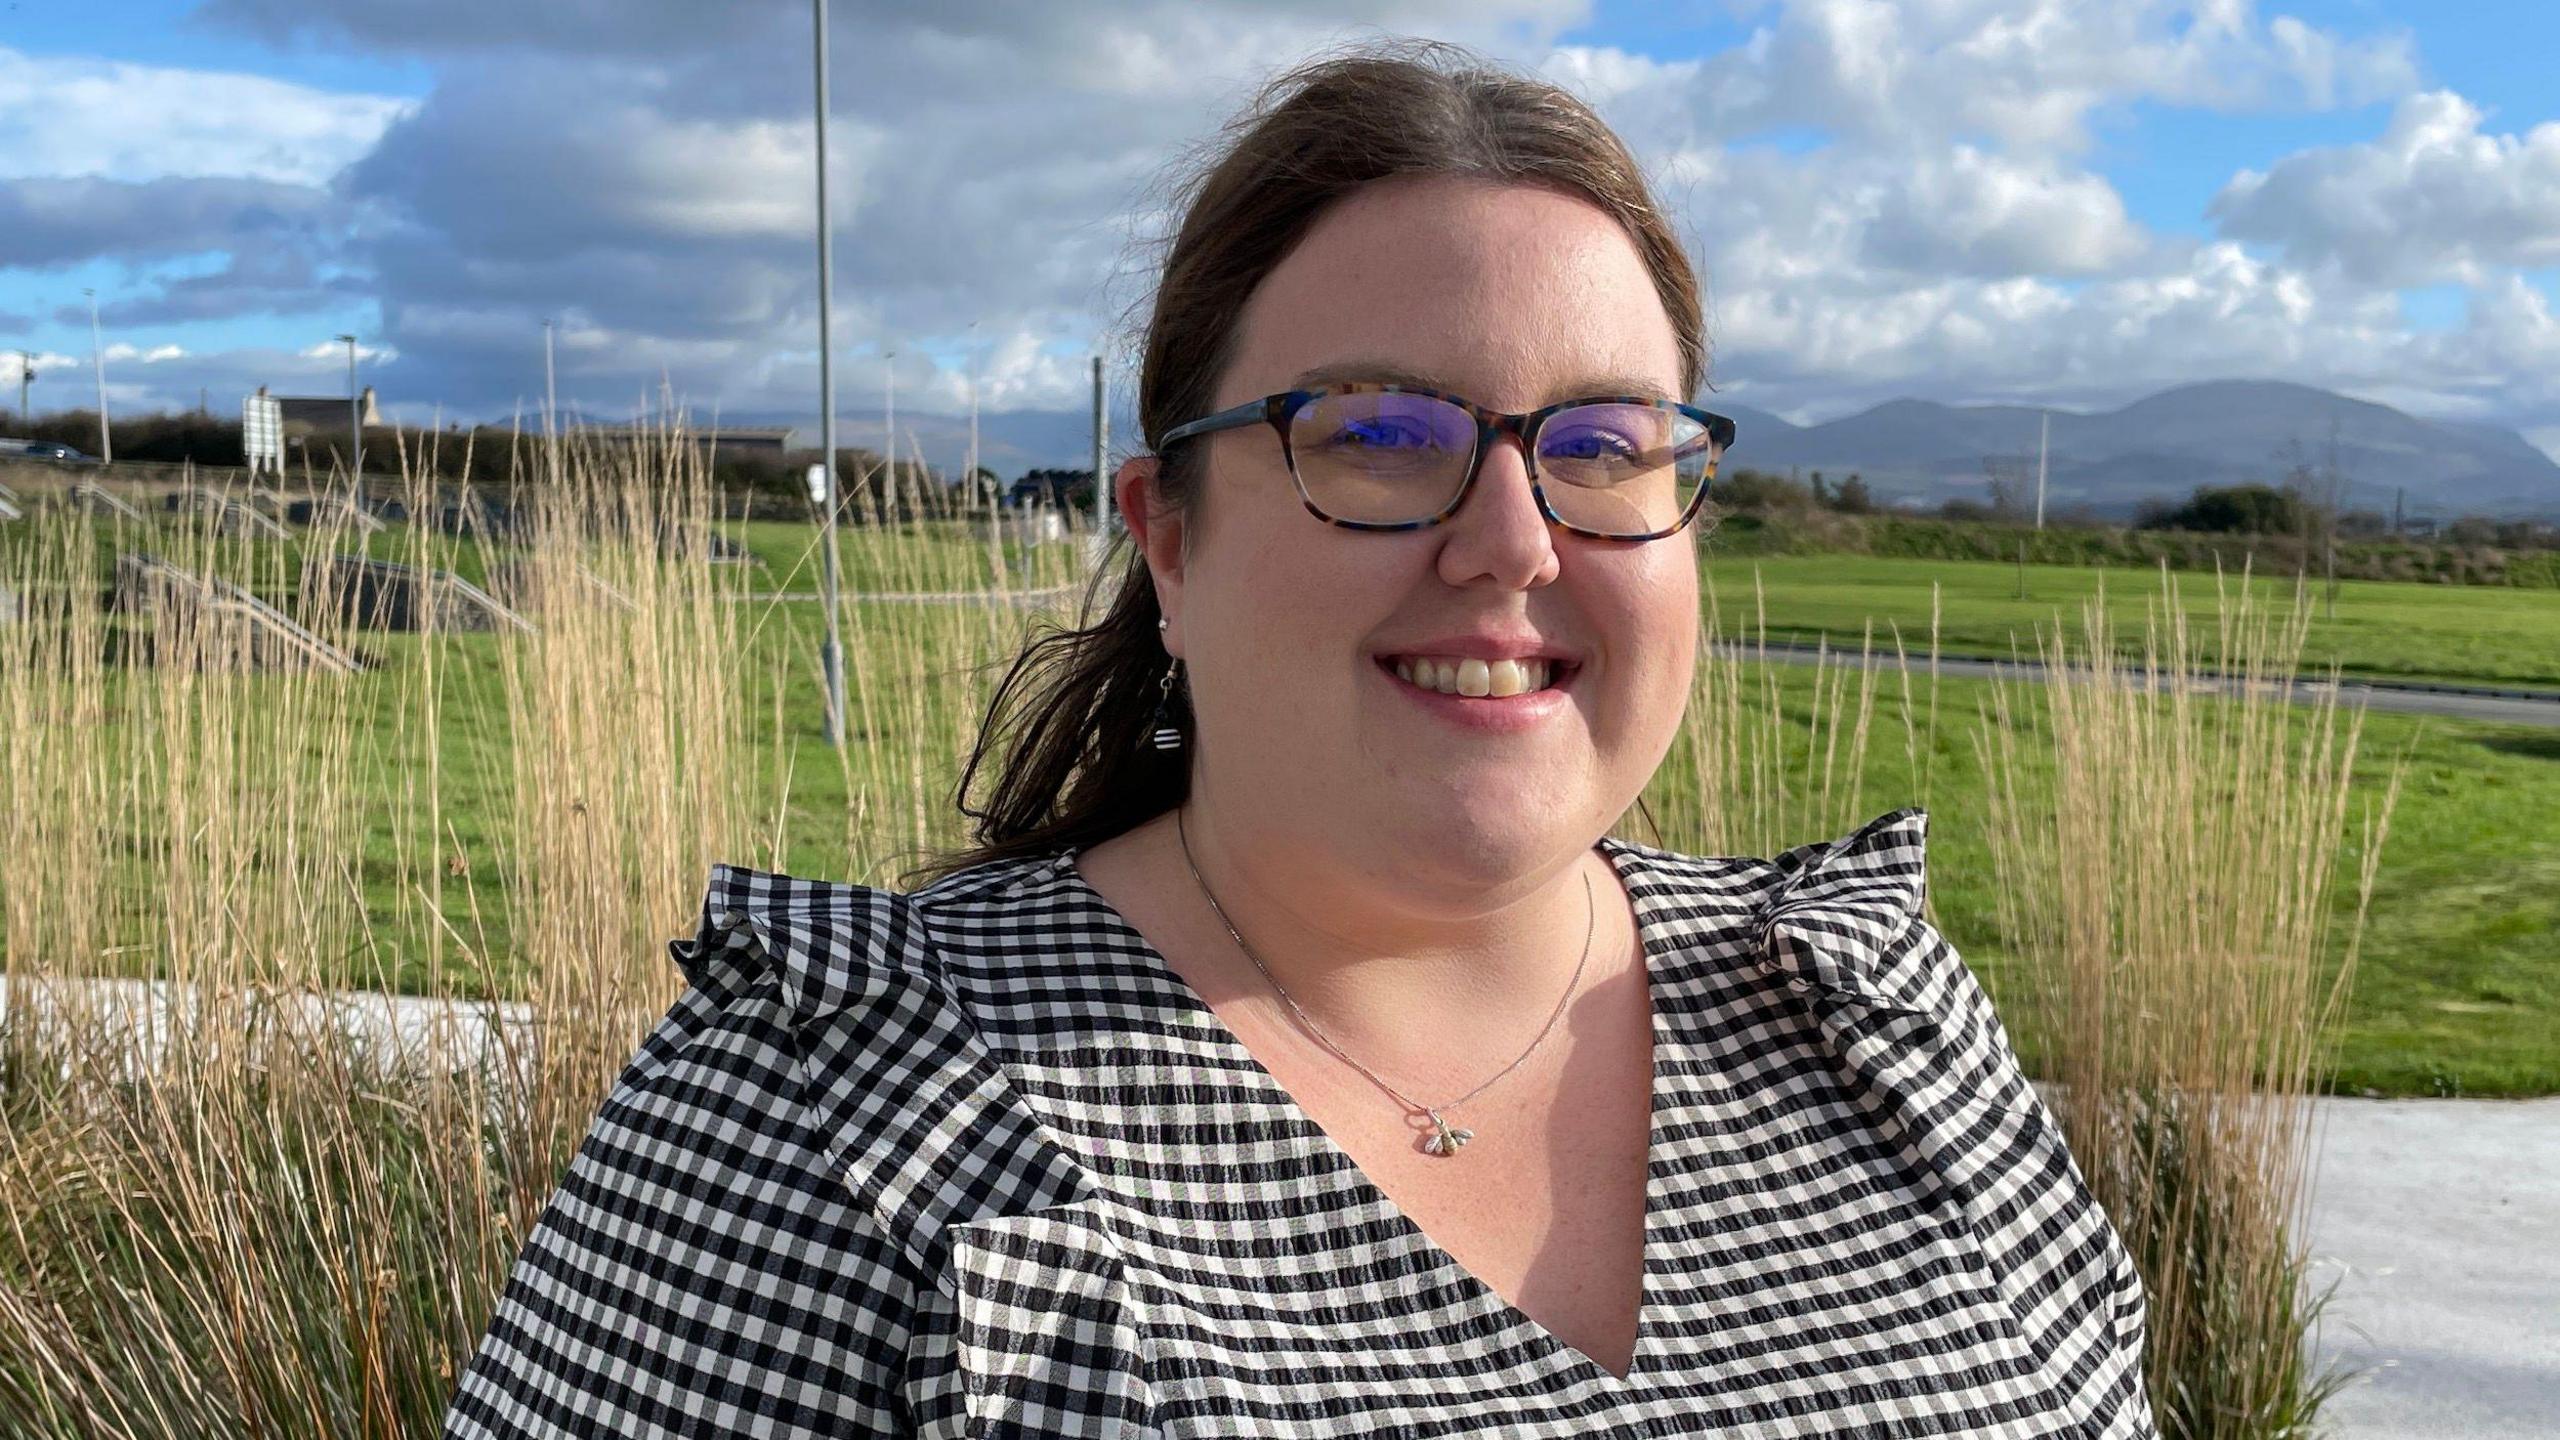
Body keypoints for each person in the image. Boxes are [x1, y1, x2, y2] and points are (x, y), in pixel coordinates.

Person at [442, 41, 2156, 1439]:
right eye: (1383, 433)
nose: (1514, 540)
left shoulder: (1870, 1023)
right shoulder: (829, 1114)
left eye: (1604, 445)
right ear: (1166, 537)